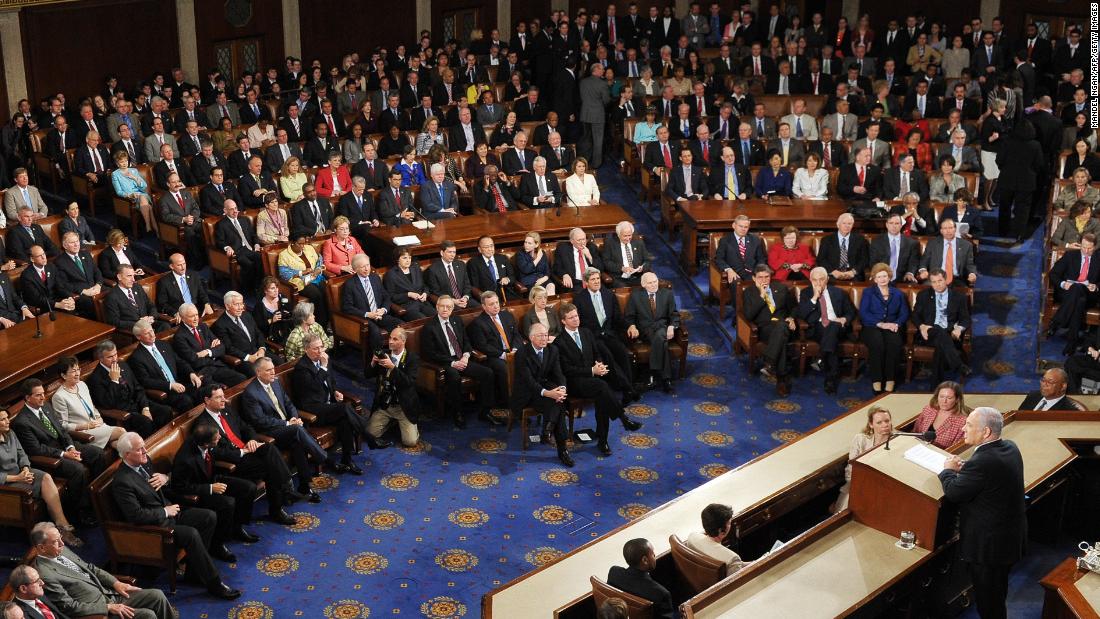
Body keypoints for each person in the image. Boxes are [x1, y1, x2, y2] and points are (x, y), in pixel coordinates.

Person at [106, 434, 241, 600]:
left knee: (208, 516)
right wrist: (164, 511)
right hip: (156, 527)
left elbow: (160, 483)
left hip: (170, 512)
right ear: (127, 454)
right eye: (139, 449)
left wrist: (165, 478)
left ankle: (194, 574)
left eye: (144, 446)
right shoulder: (122, 481)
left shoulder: (144, 461)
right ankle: (214, 584)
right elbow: (136, 515)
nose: (145, 451)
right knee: (190, 534)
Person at [939, 407, 1026, 619]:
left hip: (989, 548)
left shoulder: (982, 461)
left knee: (989, 603)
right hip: (1008, 540)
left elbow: (953, 493)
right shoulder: (1010, 447)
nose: (963, 428)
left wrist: (948, 470)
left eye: (969, 425)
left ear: (986, 432)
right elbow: (988, 475)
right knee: (997, 594)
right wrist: (966, 470)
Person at [194, 383, 298, 525]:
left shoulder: (227, 411)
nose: (224, 400)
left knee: (268, 448)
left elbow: (246, 427)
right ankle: (280, 502)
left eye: (223, 396)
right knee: (270, 467)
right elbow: (215, 453)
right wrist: (242, 451)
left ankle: (285, 491)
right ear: (207, 400)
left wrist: (252, 440)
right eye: (219, 397)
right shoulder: (202, 424)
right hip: (233, 463)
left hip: (247, 450)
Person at [169, 422, 261, 552]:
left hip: (212, 478)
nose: (220, 439)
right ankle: (218, 544)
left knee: (248, 488)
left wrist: (242, 452)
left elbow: (218, 453)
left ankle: (237, 528)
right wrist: (210, 488)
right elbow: (180, 488)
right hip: (198, 491)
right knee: (228, 503)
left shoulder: (202, 441)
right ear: (206, 444)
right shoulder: (185, 460)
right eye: (217, 438)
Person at [0, 409, 82, 546]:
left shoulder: (10, 433)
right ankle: (59, 530)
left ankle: (61, 524)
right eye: (2, 419)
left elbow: (22, 454)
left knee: (46, 477)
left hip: (22, 474)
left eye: (7, 417)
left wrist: (25, 468)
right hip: (7, 484)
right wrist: (17, 478)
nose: (7, 421)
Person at [419, 295, 496, 428]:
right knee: (454, 377)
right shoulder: (429, 327)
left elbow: (466, 341)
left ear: (452, 308)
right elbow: (430, 354)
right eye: (442, 306)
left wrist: (466, 356)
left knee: (487, 373)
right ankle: (458, 413)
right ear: (437, 307)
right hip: (444, 362)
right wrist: (452, 363)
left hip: (462, 358)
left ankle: (485, 411)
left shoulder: (456, 320)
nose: (445, 309)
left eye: (448, 307)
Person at [798, 267, 856, 394]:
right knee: (831, 332)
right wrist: (814, 298)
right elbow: (802, 314)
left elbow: (850, 312)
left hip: (837, 327)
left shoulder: (839, 292)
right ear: (810, 280)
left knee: (833, 325)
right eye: (815, 280)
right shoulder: (805, 293)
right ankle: (831, 376)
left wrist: (844, 319)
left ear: (827, 279)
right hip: (817, 328)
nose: (818, 283)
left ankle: (822, 358)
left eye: (821, 279)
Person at [128, 318, 203, 414]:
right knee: (186, 400)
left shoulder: (163, 345)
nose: (152, 335)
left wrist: (191, 373)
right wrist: (170, 385)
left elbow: (179, 362)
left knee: (203, 389)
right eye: (147, 333)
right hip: (165, 392)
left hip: (180, 382)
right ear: (138, 337)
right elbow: (146, 381)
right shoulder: (137, 357)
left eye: (152, 331)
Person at [50, 356, 125, 451]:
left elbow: (92, 407)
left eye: (78, 369)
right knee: (121, 432)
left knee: (119, 443)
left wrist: (99, 417)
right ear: (64, 375)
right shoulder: (59, 396)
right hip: (83, 432)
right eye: (73, 371)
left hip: (98, 425)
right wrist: (86, 426)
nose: (77, 374)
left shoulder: (82, 385)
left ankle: (131, 456)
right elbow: (63, 425)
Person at [912, 269, 972, 383]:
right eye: (933, 282)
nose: (937, 284)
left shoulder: (959, 297)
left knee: (941, 346)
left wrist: (959, 328)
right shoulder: (923, 295)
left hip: (950, 333)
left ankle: (935, 387)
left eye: (940, 280)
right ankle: (959, 365)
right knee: (939, 333)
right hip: (929, 333)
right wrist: (921, 326)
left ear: (946, 280)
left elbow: (965, 318)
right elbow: (915, 315)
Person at [365, 328, 421, 448]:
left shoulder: (412, 358)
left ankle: (403, 423)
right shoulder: (384, 354)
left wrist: (393, 368)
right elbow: (367, 375)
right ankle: (390, 423)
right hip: (385, 405)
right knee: (369, 433)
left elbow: (408, 382)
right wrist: (372, 363)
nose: (390, 341)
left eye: (394, 339)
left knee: (410, 442)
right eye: (390, 338)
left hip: (403, 407)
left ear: (403, 341)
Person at [626, 272, 681, 393]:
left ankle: (652, 373)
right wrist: (632, 326)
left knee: (661, 337)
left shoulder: (667, 294)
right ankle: (666, 379)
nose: (653, 285)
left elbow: (674, 314)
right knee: (662, 339)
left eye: (655, 281)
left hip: (662, 327)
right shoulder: (635, 296)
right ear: (643, 284)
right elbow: (629, 316)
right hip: (646, 330)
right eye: (650, 283)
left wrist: (672, 326)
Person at [832, 406, 893, 512]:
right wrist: (859, 483)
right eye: (879, 422)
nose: (885, 425)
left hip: (883, 486)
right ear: (871, 424)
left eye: (887, 421)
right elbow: (851, 466)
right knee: (845, 509)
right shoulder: (860, 439)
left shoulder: (897, 440)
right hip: (859, 482)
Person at [1046, 232, 1099, 355]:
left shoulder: (1098, 258)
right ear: (1080, 244)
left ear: (1095, 247)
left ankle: (1057, 321)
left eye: (1089, 248)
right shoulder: (1070, 255)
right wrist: (1064, 284)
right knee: (1077, 294)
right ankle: (1072, 342)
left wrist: (1096, 286)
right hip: (1068, 293)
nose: (1086, 250)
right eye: (1083, 247)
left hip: (1089, 294)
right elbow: (1053, 274)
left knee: (1079, 291)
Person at [860, 263, 908, 394]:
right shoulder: (868, 292)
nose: (882, 279)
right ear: (874, 279)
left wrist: (896, 324)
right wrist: (880, 324)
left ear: (889, 277)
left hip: (892, 326)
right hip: (872, 326)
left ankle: (890, 379)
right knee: (877, 344)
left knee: (894, 343)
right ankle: (877, 379)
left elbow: (904, 313)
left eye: (885, 276)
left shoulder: (898, 294)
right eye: (879, 277)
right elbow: (864, 313)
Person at [343, 254, 403, 353]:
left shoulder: (375, 278)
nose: (367, 269)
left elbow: (386, 297)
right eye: (363, 267)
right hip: (364, 318)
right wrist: (367, 314)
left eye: (368, 265)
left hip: (380, 314)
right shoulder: (350, 284)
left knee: (400, 325)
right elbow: (347, 307)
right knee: (375, 332)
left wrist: (383, 310)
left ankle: (397, 354)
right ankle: (376, 359)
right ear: (356, 269)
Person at [606, 538, 674, 619]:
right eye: (652, 554)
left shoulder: (614, 573)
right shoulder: (661, 594)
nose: (655, 555)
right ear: (645, 560)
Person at [277, 234, 329, 325]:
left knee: (327, 290)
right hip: (300, 282)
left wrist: (318, 269)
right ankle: (320, 324)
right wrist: (301, 272)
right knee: (316, 294)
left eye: (303, 243)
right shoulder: (284, 255)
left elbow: (319, 260)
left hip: (316, 277)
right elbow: (284, 274)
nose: (302, 246)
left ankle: (329, 322)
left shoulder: (309, 248)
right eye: (299, 244)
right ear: (292, 243)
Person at [685, 503, 748, 572]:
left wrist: (754, 562)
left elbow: (735, 565)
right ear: (721, 530)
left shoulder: (692, 537)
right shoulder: (732, 559)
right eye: (729, 523)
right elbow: (735, 577)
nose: (731, 524)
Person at [914, 381, 972, 448]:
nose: (944, 401)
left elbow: (955, 449)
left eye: (949, 398)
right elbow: (915, 432)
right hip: (918, 449)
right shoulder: (929, 409)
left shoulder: (962, 422)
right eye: (941, 396)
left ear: (957, 400)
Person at [383, 247, 435, 320]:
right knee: (422, 319)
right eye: (404, 258)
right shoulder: (391, 275)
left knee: (436, 316)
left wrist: (425, 293)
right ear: (397, 259)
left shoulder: (416, 268)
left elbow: (424, 286)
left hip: (422, 303)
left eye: (409, 258)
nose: (408, 260)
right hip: (406, 307)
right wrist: (408, 295)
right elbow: (390, 297)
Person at [156, 252, 212, 318]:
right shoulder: (164, 282)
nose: (183, 268)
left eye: (184, 264)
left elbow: (202, 293)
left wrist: (207, 304)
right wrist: (174, 313)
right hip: (181, 314)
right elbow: (162, 304)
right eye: (179, 265)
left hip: (197, 311)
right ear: (171, 266)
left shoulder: (193, 275)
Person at [714, 215, 767, 286]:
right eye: (740, 226)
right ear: (734, 225)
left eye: (746, 227)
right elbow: (719, 259)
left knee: (760, 286)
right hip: (734, 273)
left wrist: (758, 271)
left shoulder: (755, 239)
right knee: (736, 285)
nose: (743, 229)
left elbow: (761, 258)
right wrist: (728, 269)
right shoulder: (725, 240)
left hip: (752, 273)